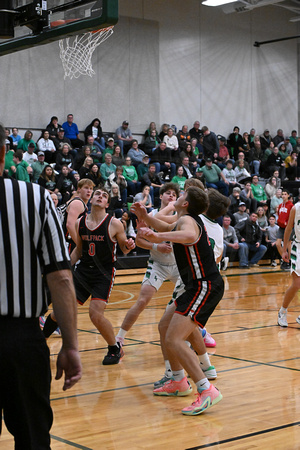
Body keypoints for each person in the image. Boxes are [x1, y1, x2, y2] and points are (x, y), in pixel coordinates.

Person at [0, 124, 81, 448]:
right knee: (33, 439)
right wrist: (71, 346)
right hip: (21, 341)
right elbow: (61, 277)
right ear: (5, 153)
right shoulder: (35, 198)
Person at [134, 187, 224, 416]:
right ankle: (178, 381)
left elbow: (189, 237)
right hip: (194, 285)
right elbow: (165, 226)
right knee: (164, 326)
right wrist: (145, 217)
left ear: (185, 203)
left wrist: (158, 237)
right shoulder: (183, 219)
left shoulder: (189, 223)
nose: (178, 196)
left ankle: (206, 389)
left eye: (182, 194)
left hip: (205, 285)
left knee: (174, 339)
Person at [70, 187, 135, 364]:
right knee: (64, 309)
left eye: (104, 196)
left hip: (104, 272)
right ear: (91, 199)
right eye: (97, 194)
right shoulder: (79, 222)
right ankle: (41, 342)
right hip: (83, 270)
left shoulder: (114, 223)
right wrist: (65, 266)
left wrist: (129, 245)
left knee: (95, 314)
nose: (100, 197)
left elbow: (124, 249)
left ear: (107, 203)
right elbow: (79, 250)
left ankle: (114, 348)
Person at [116, 183, 180, 347]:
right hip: (158, 263)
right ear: (161, 196)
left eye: (174, 194)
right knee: (143, 300)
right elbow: (139, 240)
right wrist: (156, 246)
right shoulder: (152, 214)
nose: (171, 196)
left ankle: (201, 333)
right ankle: (120, 338)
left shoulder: (181, 216)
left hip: (178, 265)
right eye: (168, 193)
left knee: (190, 300)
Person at [278, 200, 300, 327]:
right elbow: (289, 228)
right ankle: (282, 311)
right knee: (297, 283)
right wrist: (285, 248)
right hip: (298, 246)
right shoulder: (295, 208)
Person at [276, 189, 294, 271]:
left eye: (285, 194)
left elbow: (292, 216)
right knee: (278, 244)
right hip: (281, 227)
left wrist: (288, 223)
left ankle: (289, 261)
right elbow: (279, 215)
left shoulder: (291, 205)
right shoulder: (280, 205)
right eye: (282, 194)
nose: (283, 196)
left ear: (288, 196)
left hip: (288, 227)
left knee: (288, 244)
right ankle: (284, 259)